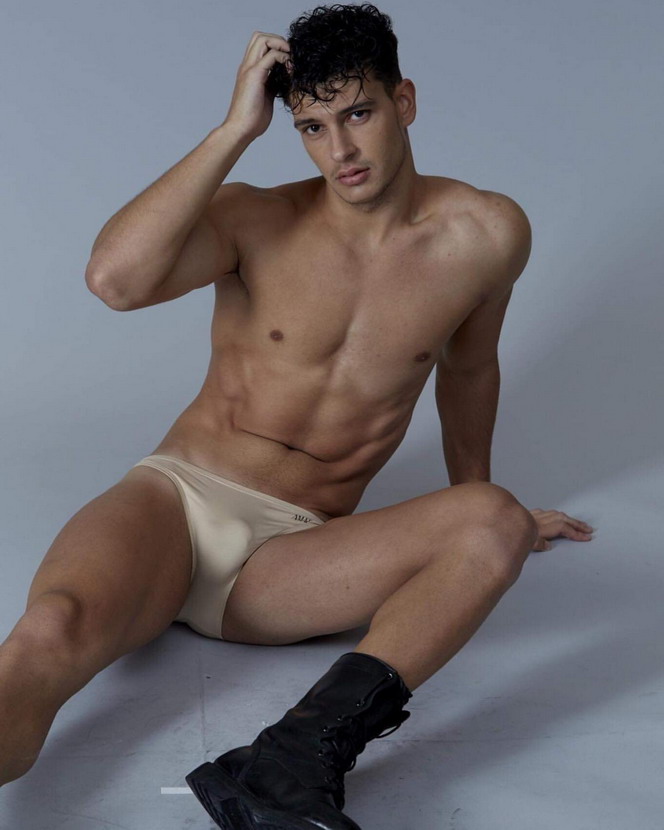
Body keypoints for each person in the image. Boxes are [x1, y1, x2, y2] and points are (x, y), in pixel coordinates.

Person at [0, 3, 595, 827]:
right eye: (312, 127)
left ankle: (287, 762)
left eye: (358, 114)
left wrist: (469, 513)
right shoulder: (257, 218)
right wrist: (233, 130)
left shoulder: (486, 235)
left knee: (494, 521)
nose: (339, 149)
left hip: (291, 559)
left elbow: (469, 368)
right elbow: (115, 281)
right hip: (174, 503)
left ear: (405, 101)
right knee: (50, 631)